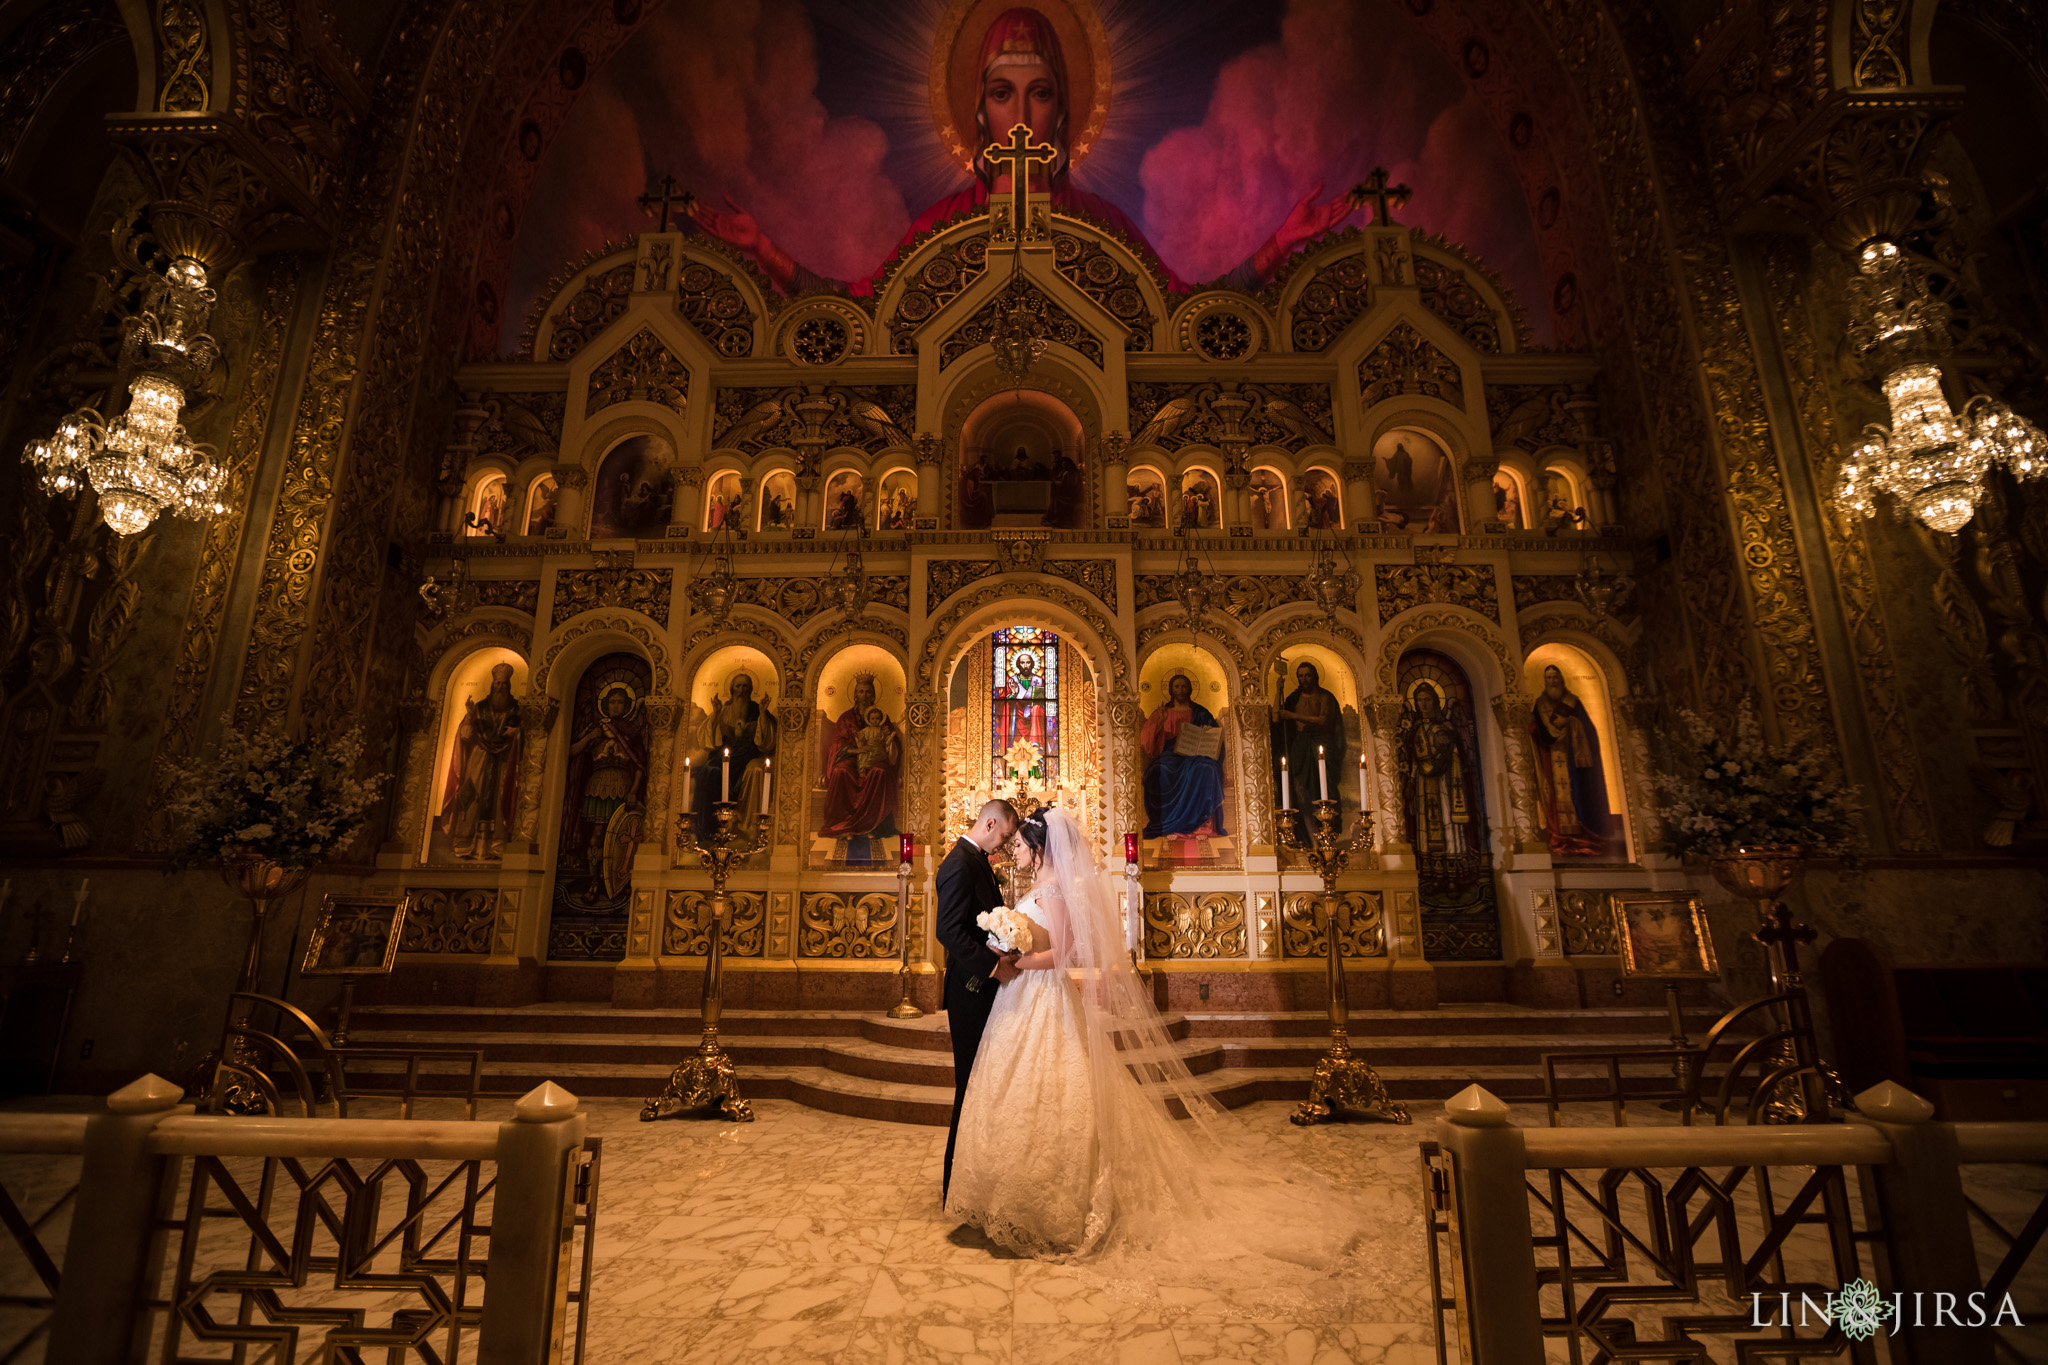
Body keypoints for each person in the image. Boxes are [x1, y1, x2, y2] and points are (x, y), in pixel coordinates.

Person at [946, 806, 1372, 1290]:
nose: (1014, 852)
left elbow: (1064, 953)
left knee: (1056, 1094)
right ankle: (1011, 1198)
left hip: (1040, 996)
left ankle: (1054, 1208)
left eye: (1020, 845)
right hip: (1018, 1000)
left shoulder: (1057, 890)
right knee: (1014, 1096)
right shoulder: (1034, 888)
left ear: (1040, 848)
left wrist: (1018, 962)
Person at [689, 8, 1354, 297]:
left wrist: (1279, 242)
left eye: (1039, 93)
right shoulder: (942, 226)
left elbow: (1185, 314)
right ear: (980, 108)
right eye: (1004, 93)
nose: (1022, 114)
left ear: (1061, 108)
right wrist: (764, 249)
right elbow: (862, 310)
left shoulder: (1102, 226)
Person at [937, 798, 1021, 1201]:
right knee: (968, 1083)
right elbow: (949, 932)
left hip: (982, 986)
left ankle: (975, 1184)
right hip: (968, 989)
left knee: (982, 1083)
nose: (1005, 845)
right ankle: (955, 1185)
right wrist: (992, 967)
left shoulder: (977, 861)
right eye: (1004, 836)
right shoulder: (958, 863)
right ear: (990, 823)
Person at [1527, 663, 1616, 857]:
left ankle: (1584, 838)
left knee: (1578, 794)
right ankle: (1558, 838)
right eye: (1549, 678)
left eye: (1555, 677)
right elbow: (1534, 731)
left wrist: (1572, 723)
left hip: (1573, 759)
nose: (1552, 681)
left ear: (1561, 679)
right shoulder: (1539, 705)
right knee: (1554, 798)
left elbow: (1590, 730)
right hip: (1549, 758)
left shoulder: (1573, 702)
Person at [437, 661, 523, 859]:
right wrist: (468, 718)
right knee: (471, 795)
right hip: (479, 758)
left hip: (504, 759)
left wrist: (517, 733)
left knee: (502, 796)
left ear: (509, 686)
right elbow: (465, 735)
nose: (500, 687)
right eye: (497, 684)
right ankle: (464, 841)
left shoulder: (517, 709)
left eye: (504, 684)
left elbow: (525, 732)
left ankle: (497, 843)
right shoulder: (479, 708)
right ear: (492, 685)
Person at [1139, 673, 1225, 839]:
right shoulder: (1163, 712)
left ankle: (1202, 824)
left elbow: (1216, 736)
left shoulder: (1200, 712)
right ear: (1171, 689)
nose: (1181, 690)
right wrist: (1159, 722)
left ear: (1190, 689)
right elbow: (1147, 741)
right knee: (1158, 770)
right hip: (1171, 754)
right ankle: (1167, 823)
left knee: (1206, 768)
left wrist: (1208, 732)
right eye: (1177, 686)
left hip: (1196, 754)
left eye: (1184, 686)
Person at [818, 675, 900, 840]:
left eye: (868, 692)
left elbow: (893, 741)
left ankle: (874, 825)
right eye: (861, 691)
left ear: (874, 695)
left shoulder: (882, 717)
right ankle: (842, 823)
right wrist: (856, 751)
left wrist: (887, 743)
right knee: (841, 771)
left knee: (880, 771)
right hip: (851, 757)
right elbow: (836, 744)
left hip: (876, 758)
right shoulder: (846, 718)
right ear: (855, 695)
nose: (864, 695)